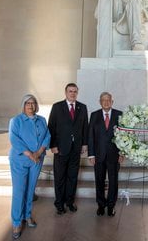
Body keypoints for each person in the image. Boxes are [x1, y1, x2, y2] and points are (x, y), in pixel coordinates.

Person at [8, 94, 51, 239]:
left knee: (30, 189)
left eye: (33, 103)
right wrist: (29, 154)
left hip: (37, 159)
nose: (30, 106)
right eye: (27, 103)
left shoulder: (42, 120)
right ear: (23, 105)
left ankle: (27, 215)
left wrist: (38, 153)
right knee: (19, 190)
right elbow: (14, 138)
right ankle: (16, 222)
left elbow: (47, 136)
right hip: (20, 159)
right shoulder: (16, 120)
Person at [48, 83, 89, 215]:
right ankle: (59, 204)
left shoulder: (82, 107)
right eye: (70, 91)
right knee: (60, 177)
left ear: (77, 93)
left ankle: (70, 202)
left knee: (72, 177)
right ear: (65, 92)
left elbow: (85, 128)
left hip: (76, 149)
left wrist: (84, 144)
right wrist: (52, 145)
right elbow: (51, 127)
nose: (72, 93)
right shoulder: (57, 107)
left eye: (75, 91)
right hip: (60, 148)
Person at [88, 92, 124, 217]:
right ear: (100, 102)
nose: (106, 102)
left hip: (114, 155)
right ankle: (101, 205)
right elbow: (90, 136)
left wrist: (122, 152)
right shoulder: (94, 115)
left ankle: (111, 206)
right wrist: (91, 154)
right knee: (99, 180)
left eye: (108, 100)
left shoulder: (119, 115)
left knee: (113, 181)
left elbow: (124, 136)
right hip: (98, 155)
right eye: (103, 100)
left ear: (112, 102)